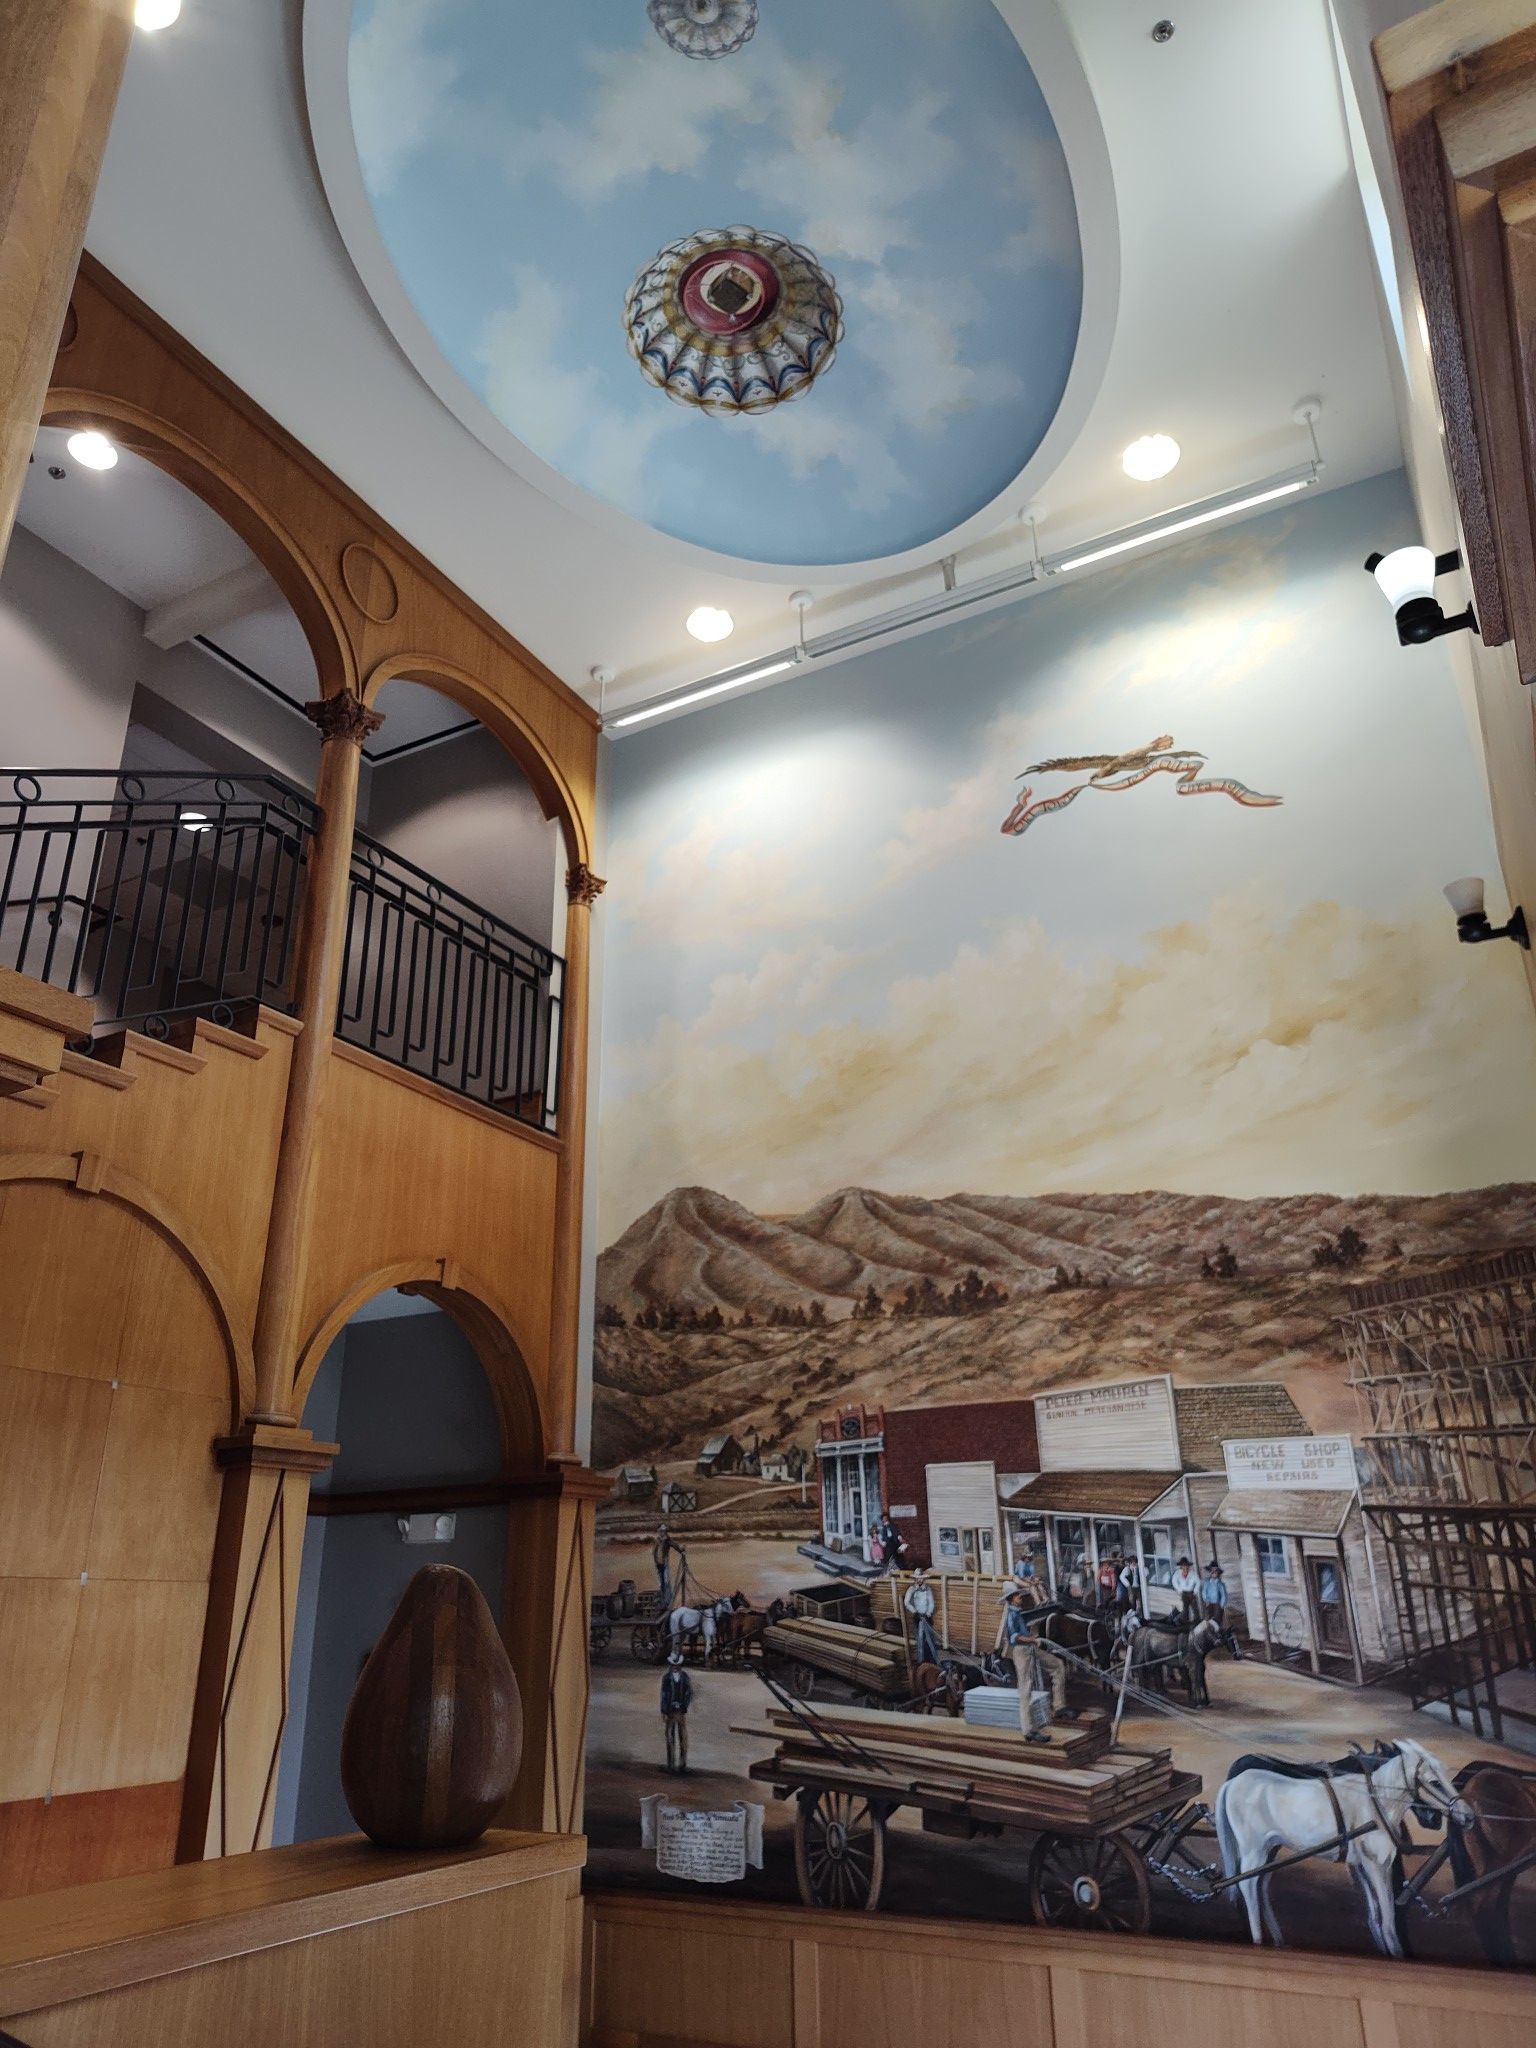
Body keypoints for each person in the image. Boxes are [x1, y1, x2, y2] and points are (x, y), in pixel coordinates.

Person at [1000, 1589, 1072, 1731]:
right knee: (1026, 1687)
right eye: (1016, 1595)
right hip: (1021, 1651)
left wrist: (1032, 1640)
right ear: (1010, 1599)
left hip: (1030, 1648)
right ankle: (1028, 1730)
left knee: (1057, 1665)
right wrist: (1032, 1640)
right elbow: (1014, 1637)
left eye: (1019, 1594)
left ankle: (1059, 1706)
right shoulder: (1010, 1614)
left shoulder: (1018, 1612)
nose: (1020, 1596)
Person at [660, 1650, 692, 1774]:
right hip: (670, 1711)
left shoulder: (685, 1677)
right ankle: (671, 1764)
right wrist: (663, 1710)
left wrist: (684, 1705)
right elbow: (663, 1695)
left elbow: (689, 1693)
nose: (674, 1667)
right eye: (673, 1665)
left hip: (680, 1711)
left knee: (683, 1738)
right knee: (669, 1737)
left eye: (677, 1665)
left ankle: (682, 1764)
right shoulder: (666, 1678)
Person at [904, 1566, 941, 1666]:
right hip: (917, 1617)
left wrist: (928, 1614)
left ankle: (934, 1661)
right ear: (915, 1579)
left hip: (927, 1617)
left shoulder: (928, 1589)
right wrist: (915, 1612)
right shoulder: (911, 1589)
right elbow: (907, 1602)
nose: (920, 1580)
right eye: (918, 1578)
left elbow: (931, 1603)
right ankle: (921, 1661)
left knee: (930, 1638)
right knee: (919, 1638)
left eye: (921, 1578)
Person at [653, 1522, 683, 1608]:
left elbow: (675, 1545)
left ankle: (668, 1601)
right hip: (658, 1564)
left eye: (663, 1531)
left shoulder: (668, 1540)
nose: (661, 1532)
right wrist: (655, 1561)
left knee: (666, 1582)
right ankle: (662, 1601)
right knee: (660, 1583)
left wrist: (681, 1551)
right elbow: (654, 1551)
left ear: (665, 1532)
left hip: (664, 1564)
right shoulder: (657, 1540)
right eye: (660, 1531)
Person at [1200, 1559, 1229, 1630]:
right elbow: (1204, 1592)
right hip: (1209, 1603)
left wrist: (1222, 1605)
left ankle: (1217, 1631)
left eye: (1215, 1571)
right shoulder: (1207, 1582)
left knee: (1217, 1619)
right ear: (1210, 1572)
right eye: (1212, 1571)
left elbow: (1223, 1595)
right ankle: (1207, 1630)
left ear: (1218, 1572)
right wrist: (1206, 1600)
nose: (1214, 1572)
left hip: (1217, 1604)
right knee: (1208, 1617)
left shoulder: (1220, 1584)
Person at [1171, 1555, 1200, 1626]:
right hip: (1183, 1593)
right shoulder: (1177, 1573)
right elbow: (1174, 1581)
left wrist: (1195, 1591)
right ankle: (1185, 1622)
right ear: (1181, 1566)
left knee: (1194, 1607)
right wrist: (1179, 1589)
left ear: (1188, 1566)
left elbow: (1198, 1582)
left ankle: (1197, 1622)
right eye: (1183, 1566)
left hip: (1191, 1593)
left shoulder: (1193, 1573)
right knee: (1185, 1607)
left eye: (1186, 1566)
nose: (1185, 1567)